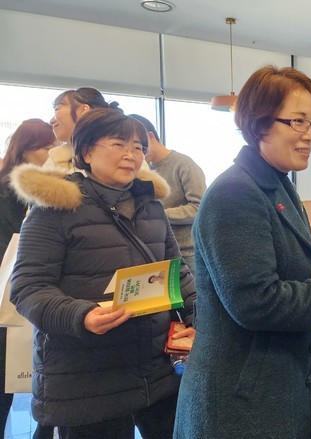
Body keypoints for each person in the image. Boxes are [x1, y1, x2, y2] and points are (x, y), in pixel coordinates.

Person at [174, 65, 311, 439]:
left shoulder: (275, 183)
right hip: (239, 401)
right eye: (297, 121)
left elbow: (285, 275)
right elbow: (253, 301)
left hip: (268, 386)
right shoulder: (235, 193)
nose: (309, 134)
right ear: (259, 124)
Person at [9, 108, 196, 438]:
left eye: (138, 147)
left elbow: (176, 273)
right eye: (118, 144)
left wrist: (198, 322)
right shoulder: (54, 208)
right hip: (87, 377)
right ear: (86, 152)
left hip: (156, 368)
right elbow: (27, 287)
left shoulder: (151, 206)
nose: (131, 155)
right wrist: (81, 315)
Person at [0, 119, 57, 437]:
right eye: (47, 147)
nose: (53, 153)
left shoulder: (50, 185)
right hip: (11, 288)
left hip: (37, 288)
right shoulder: (9, 189)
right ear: (24, 150)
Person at [129, 114, 206, 273]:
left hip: (187, 253)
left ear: (150, 137)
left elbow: (200, 208)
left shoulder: (184, 165)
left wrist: (159, 214)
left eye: (139, 147)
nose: (137, 154)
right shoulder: (144, 170)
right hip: (159, 252)